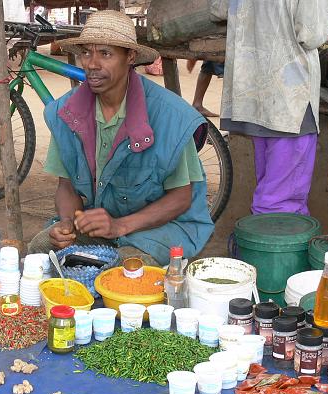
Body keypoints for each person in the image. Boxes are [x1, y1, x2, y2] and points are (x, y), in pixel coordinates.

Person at [26, 11, 214, 266]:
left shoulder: (170, 116)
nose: (92, 64)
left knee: (126, 269)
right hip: (104, 224)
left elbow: (181, 198)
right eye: (86, 53)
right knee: (41, 251)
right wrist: (68, 222)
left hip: (164, 226)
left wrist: (119, 226)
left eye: (105, 53)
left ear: (130, 57)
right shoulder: (67, 113)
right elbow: (66, 186)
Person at [220, 0, 328, 215]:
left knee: (271, 186)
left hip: (253, 95)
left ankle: (267, 231)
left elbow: (218, 8)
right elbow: (312, 34)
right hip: (289, 101)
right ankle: (269, 235)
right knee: (280, 201)